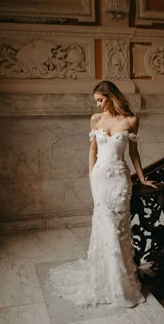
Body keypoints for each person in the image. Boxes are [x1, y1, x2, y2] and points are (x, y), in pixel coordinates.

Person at [48, 80, 157, 308]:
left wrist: (142, 177)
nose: (97, 105)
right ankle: (109, 283)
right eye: (96, 101)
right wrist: (91, 177)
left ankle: (122, 286)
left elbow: (134, 153)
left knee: (118, 231)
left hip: (119, 180)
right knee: (104, 228)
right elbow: (92, 152)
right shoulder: (95, 120)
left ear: (111, 96)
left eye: (100, 100)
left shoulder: (131, 120)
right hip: (99, 179)